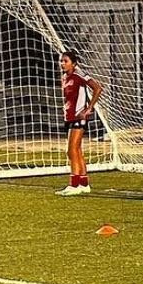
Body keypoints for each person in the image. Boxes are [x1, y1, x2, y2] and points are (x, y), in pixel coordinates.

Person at [58, 50, 103, 196]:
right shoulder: (65, 77)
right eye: (61, 61)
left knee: (71, 151)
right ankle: (84, 184)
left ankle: (74, 184)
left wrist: (89, 108)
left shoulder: (79, 74)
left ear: (74, 63)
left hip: (79, 117)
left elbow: (97, 88)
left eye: (65, 61)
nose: (62, 64)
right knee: (77, 151)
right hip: (69, 117)